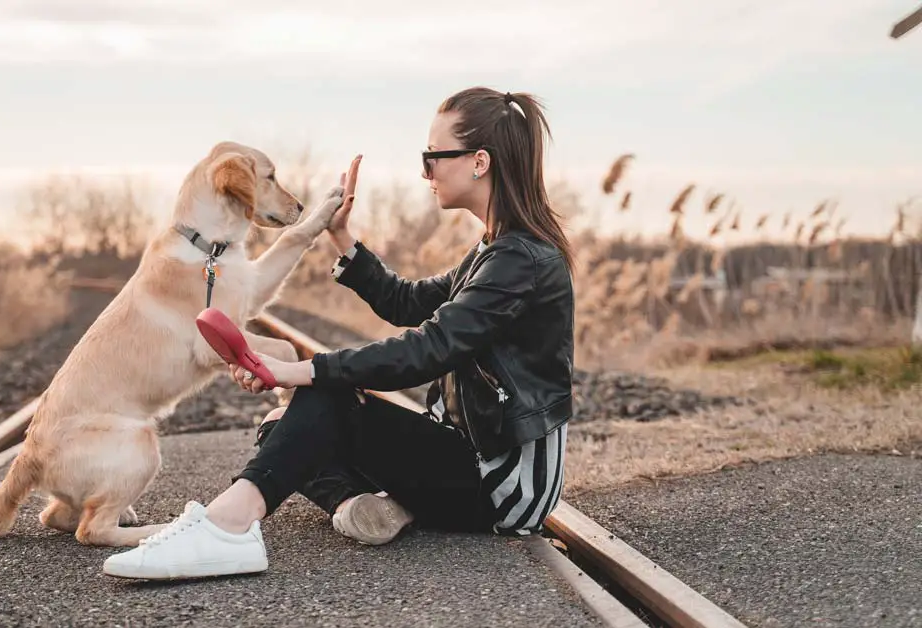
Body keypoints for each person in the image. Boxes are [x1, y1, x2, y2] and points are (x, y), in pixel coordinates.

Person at [102, 86, 577, 581]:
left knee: (321, 404)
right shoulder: (495, 251)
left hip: (502, 484)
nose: (424, 172)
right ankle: (364, 506)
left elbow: (429, 348)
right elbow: (407, 302)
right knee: (280, 428)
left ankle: (227, 526)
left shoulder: (518, 260)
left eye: (432, 157)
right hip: (467, 455)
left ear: (479, 162)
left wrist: (303, 370)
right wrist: (341, 236)